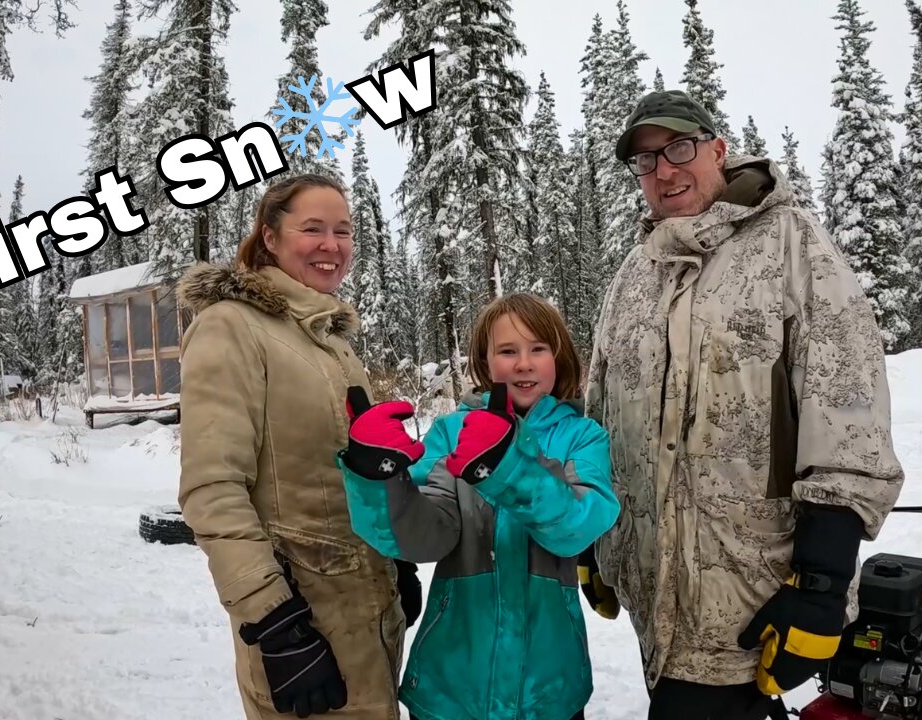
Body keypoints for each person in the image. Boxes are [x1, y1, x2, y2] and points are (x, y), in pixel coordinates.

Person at [579, 90, 906, 719]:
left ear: (719, 150)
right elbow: (604, 413)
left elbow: (846, 404)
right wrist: (598, 538)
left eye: (677, 148)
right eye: (645, 161)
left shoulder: (791, 244)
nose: (663, 171)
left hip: (748, 594)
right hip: (658, 598)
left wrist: (822, 581)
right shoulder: (633, 274)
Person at [176, 173, 419, 720]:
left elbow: (347, 474)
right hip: (303, 632)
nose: (331, 245)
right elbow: (212, 490)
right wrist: (275, 625)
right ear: (270, 238)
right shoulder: (231, 327)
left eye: (344, 231)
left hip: (366, 619)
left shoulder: (329, 340)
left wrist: (395, 558)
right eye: (312, 229)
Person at [336, 293, 621, 720]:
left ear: (559, 358)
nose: (523, 363)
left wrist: (507, 467)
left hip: (547, 689)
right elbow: (424, 537)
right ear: (485, 363)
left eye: (538, 349)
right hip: (451, 686)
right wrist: (377, 478)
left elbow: (578, 527)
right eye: (508, 351)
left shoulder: (582, 438)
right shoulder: (452, 433)